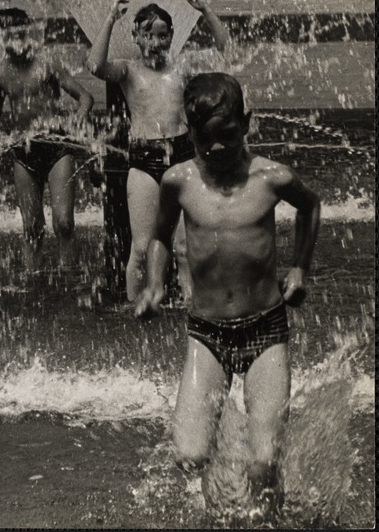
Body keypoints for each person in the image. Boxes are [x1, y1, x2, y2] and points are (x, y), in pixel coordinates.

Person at [136, 73, 320, 520]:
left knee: (264, 460)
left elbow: (310, 206)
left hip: (266, 329)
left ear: (247, 124)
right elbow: (160, 234)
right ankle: (224, 512)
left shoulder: (272, 178)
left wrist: (298, 267)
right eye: (204, 141)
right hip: (206, 333)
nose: (216, 150)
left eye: (227, 138)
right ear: (189, 133)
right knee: (190, 455)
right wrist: (155, 283)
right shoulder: (178, 181)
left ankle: (270, 517)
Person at [87, 0, 230, 303]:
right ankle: (133, 307)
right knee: (141, 247)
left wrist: (206, 10)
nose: (156, 43)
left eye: (163, 36)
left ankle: (190, 308)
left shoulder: (181, 68)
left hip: (181, 155)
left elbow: (223, 49)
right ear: (137, 37)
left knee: (182, 247)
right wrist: (110, 19)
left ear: (171, 37)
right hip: (144, 159)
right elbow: (95, 66)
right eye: (148, 36)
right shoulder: (128, 70)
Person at [0, 6, 94, 272]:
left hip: (58, 149)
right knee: (31, 227)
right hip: (24, 152)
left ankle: (69, 277)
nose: (16, 41)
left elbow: (85, 97)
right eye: (9, 36)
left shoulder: (47, 63)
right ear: (0, 38)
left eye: (21, 34)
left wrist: (79, 117)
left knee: (64, 223)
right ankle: (33, 283)